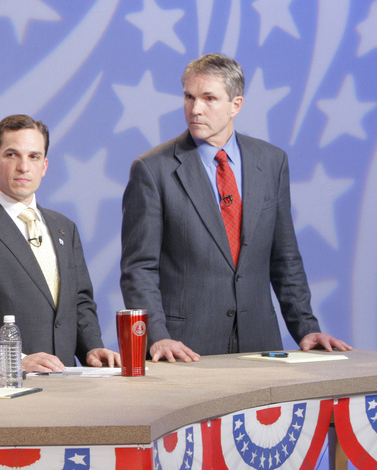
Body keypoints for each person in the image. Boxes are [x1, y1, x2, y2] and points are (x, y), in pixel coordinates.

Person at [120, 53, 352, 363]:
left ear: (236, 105)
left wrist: (306, 328)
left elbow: (285, 258)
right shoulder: (152, 169)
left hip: (259, 343)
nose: (195, 109)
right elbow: (139, 269)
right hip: (184, 350)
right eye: (189, 97)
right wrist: (158, 337)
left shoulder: (271, 161)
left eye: (209, 98)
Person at [0, 114, 120, 380]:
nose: (24, 166)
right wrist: (18, 361)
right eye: (12, 155)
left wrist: (92, 347)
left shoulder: (64, 227)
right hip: (6, 388)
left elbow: (79, 301)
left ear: (44, 166)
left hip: (68, 385)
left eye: (34, 157)